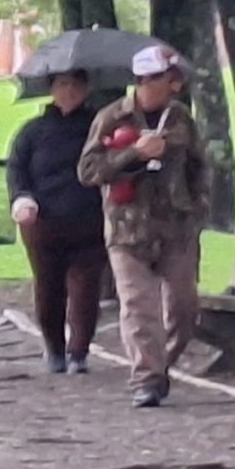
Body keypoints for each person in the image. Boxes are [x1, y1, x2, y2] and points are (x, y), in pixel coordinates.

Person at [78, 44, 209, 408]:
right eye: (146, 80)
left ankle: (161, 364)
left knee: (184, 309)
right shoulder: (112, 117)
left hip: (177, 228)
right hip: (127, 230)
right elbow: (88, 171)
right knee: (138, 306)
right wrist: (134, 152)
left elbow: (198, 165)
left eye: (162, 79)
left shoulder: (181, 118)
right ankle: (146, 379)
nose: (153, 86)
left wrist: (199, 207)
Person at [7, 69, 108, 374]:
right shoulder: (32, 132)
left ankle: (79, 350)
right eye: (62, 84)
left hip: (90, 221)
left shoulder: (99, 129)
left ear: (86, 88)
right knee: (48, 286)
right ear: (51, 88)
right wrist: (22, 199)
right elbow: (16, 170)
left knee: (86, 287)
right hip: (43, 223)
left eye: (76, 84)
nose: (69, 91)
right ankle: (54, 348)